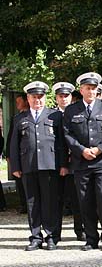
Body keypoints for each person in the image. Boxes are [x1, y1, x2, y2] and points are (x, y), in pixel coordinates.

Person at [10, 81, 68, 251]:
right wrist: (15, 167)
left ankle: (51, 236)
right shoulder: (20, 118)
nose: (37, 100)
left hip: (50, 165)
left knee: (50, 202)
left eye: (40, 97)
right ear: (28, 98)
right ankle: (36, 236)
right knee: (32, 203)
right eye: (34, 97)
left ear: (45, 97)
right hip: (28, 166)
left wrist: (63, 164)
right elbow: (14, 145)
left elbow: (62, 142)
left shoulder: (55, 116)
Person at [63, 72, 102, 251]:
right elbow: (67, 134)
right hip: (81, 162)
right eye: (88, 88)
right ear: (81, 90)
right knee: (85, 201)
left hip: (101, 162)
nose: (91, 91)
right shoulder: (71, 110)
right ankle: (91, 238)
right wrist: (81, 150)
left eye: (94, 88)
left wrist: (100, 149)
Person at [51, 82, 84, 242]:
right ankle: (55, 233)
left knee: (78, 199)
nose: (63, 98)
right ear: (56, 98)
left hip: (77, 162)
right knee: (56, 199)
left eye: (66, 96)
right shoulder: (51, 116)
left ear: (71, 97)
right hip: (57, 164)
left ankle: (81, 230)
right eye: (60, 96)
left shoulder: (78, 113)